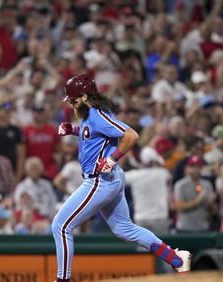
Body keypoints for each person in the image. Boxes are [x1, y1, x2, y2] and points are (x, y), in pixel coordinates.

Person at [52, 74, 191, 282]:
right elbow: (93, 133)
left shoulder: (98, 115)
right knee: (124, 228)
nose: (71, 104)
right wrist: (73, 130)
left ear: (83, 97)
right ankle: (176, 258)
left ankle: (63, 280)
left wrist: (112, 159)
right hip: (109, 179)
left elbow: (131, 135)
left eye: (73, 99)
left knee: (61, 226)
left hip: (100, 179)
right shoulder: (90, 116)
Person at [125, 146, 172, 234]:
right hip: (160, 216)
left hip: (142, 217)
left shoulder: (135, 175)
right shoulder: (164, 173)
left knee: (143, 247)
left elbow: (117, 178)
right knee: (161, 247)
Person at [174, 155, 217, 233]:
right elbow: (179, 207)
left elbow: (214, 211)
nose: (195, 169)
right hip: (184, 228)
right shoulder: (180, 184)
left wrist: (210, 203)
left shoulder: (207, 184)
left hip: (203, 227)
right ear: (187, 168)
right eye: (192, 166)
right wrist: (197, 200)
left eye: (198, 167)